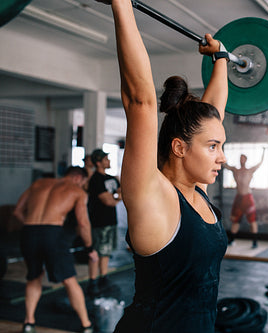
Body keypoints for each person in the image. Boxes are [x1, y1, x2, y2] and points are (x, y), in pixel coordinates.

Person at [94, 0, 228, 331]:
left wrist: (221, 58)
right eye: (214, 148)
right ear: (179, 148)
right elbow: (140, 102)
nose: (221, 157)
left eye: (220, 146)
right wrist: (122, 5)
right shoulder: (154, 196)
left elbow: (211, 116)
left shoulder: (198, 191)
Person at [12, 166, 98, 333]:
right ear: (78, 178)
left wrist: (34, 228)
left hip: (29, 232)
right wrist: (89, 248)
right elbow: (83, 223)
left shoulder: (38, 183)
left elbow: (17, 212)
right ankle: (86, 325)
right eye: (83, 183)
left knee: (34, 277)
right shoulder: (77, 191)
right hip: (54, 233)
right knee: (69, 279)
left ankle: (29, 323)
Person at [86, 148, 122, 295]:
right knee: (96, 252)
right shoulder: (95, 180)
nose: (109, 161)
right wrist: (116, 197)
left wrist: (115, 196)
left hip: (111, 220)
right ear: (99, 163)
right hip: (99, 222)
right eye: (106, 159)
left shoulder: (112, 178)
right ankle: (92, 281)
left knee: (106, 252)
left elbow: (121, 192)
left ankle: (103, 278)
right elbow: (109, 202)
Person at [224, 149, 265, 248]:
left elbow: (260, 163)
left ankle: (255, 242)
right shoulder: (235, 170)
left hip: (248, 198)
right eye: (240, 159)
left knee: (252, 220)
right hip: (239, 198)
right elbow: (224, 164)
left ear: (246, 160)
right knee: (235, 220)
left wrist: (264, 151)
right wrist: (220, 150)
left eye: (243, 159)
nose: (241, 160)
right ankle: (232, 239)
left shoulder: (250, 170)